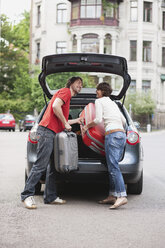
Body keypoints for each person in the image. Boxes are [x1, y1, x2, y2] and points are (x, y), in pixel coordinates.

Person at [21, 76, 83, 209]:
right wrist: (66, 122)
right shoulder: (65, 92)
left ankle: (50, 197)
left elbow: (61, 119)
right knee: (40, 165)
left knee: (53, 166)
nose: (80, 85)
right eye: (78, 83)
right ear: (71, 83)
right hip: (47, 131)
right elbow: (55, 106)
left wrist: (75, 120)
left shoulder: (67, 98)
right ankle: (26, 195)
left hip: (53, 133)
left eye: (81, 84)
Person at [82, 82, 127, 209]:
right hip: (121, 135)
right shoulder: (113, 103)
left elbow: (97, 120)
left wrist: (85, 126)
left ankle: (122, 196)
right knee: (112, 166)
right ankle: (112, 195)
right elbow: (123, 121)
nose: (96, 92)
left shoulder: (100, 101)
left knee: (113, 167)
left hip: (112, 135)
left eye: (97, 90)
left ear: (102, 91)